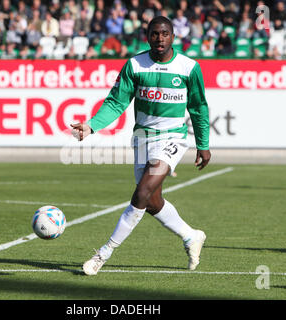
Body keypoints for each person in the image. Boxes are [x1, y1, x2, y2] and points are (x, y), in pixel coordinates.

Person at [71, 16, 211, 276]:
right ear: (147, 36)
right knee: (151, 201)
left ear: (173, 36)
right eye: (155, 34)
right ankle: (191, 235)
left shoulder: (189, 67)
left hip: (173, 137)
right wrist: (91, 126)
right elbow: (116, 102)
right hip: (143, 138)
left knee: (141, 193)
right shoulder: (134, 65)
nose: (160, 39)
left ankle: (103, 253)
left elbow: (198, 107)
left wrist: (203, 143)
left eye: (165, 34)